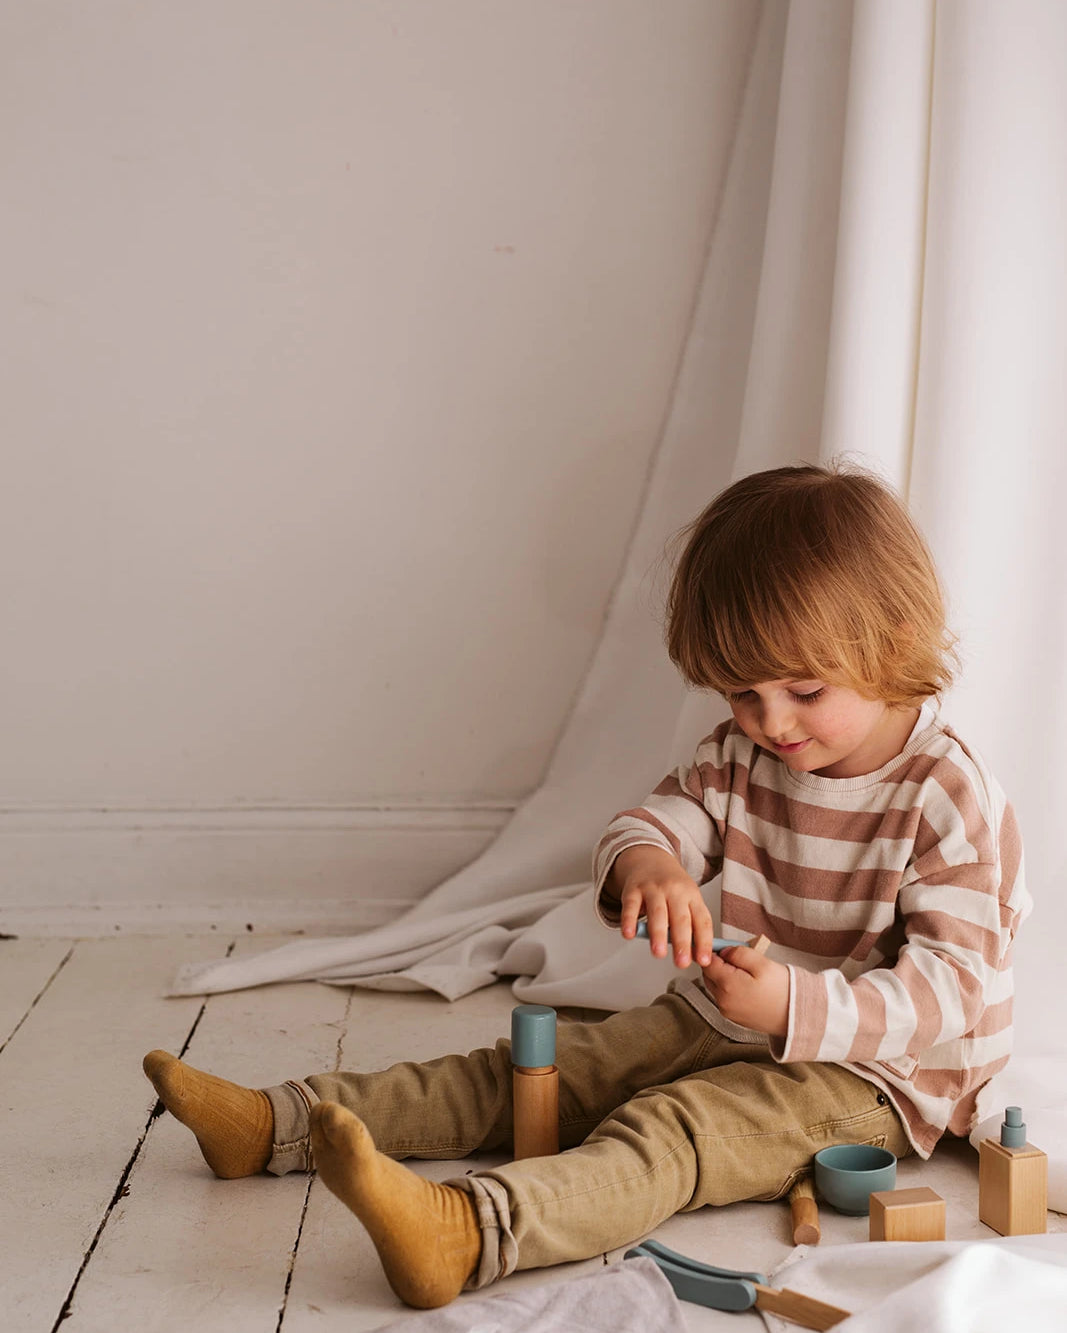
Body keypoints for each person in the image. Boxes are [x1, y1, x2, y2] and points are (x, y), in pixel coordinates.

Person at [143, 463, 1030, 1309]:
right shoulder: (742, 755)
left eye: (801, 688)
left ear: (895, 643)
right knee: (545, 1068)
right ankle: (273, 1123)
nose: (769, 721)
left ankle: (468, 1229)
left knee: (675, 1128)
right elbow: (650, 824)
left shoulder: (948, 799)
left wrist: (791, 1006)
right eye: (740, 693)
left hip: (882, 1077)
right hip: (737, 1008)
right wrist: (650, 865)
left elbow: (946, 993)